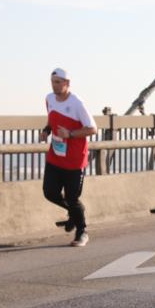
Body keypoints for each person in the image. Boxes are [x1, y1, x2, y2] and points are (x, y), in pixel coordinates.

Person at [39, 68, 97, 247]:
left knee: (72, 198)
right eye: (52, 82)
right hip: (56, 156)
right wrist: (46, 130)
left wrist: (70, 134)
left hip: (74, 160)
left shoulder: (77, 103)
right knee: (50, 192)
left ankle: (82, 231)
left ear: (67, 83)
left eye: (58, 82)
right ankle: (75, 211)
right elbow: (51, 120)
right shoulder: (49, 99)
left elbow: (93, 129)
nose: (54, 85)